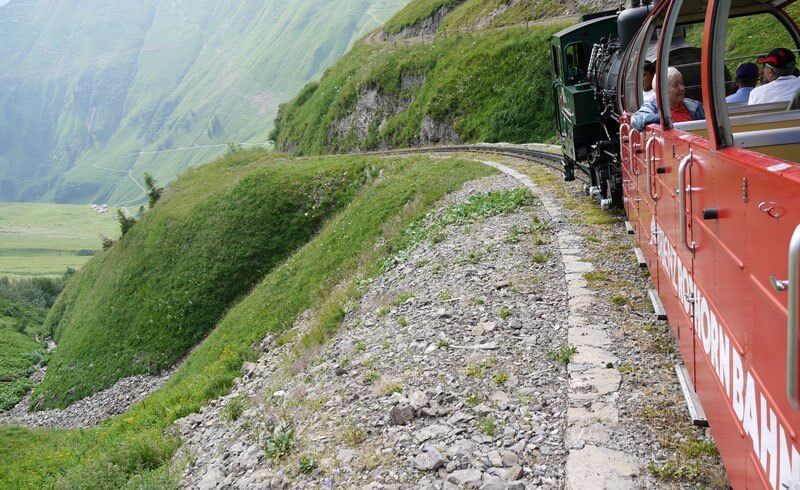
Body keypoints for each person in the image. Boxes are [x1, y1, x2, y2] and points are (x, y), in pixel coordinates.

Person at [632, 67, 705, 131]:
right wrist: (662, 118)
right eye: (676, 85)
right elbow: (636, 120)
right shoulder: (652, 107)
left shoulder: (695, 106)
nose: (682, 88)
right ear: (662, 91)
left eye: (682, 84)